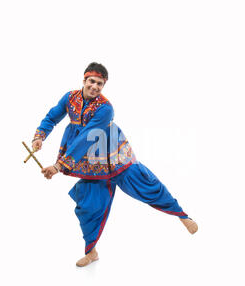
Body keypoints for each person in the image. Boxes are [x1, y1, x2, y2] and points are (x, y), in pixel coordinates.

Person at [32, 62, 198, 267]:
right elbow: (52, 116)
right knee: (88, 206)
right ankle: (91, 252)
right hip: (91, 162)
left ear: (103, 85)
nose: (94, 86)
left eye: (99, 84)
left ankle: (181, 215)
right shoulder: (69, 98)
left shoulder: (105, 109)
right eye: (91, 81)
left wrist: (58, 166)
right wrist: (39, 137)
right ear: (84, 80)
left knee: (146, 185)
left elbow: (87, 137)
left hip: (115, 155)